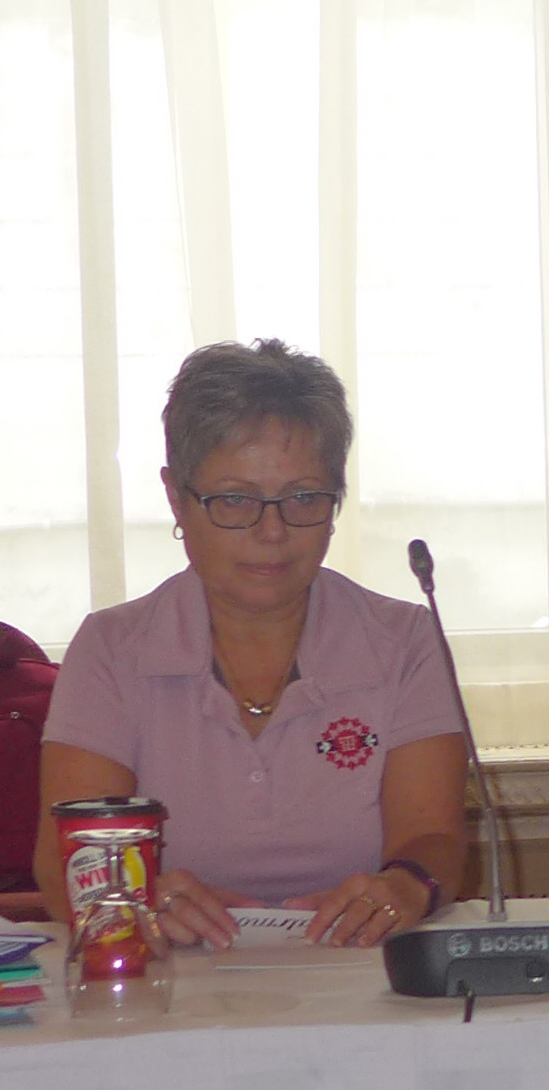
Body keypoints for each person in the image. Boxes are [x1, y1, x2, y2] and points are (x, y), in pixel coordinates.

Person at [33, 341, 469, 947]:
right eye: (235, 499)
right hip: (166, 979)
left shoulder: (403, 641)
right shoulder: (111, 649)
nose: (272, 531)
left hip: (358, 972)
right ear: (176, 498)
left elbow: (435, 840)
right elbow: (65, 865)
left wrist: (405, 885)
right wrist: (129, 899)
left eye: (303, 498)